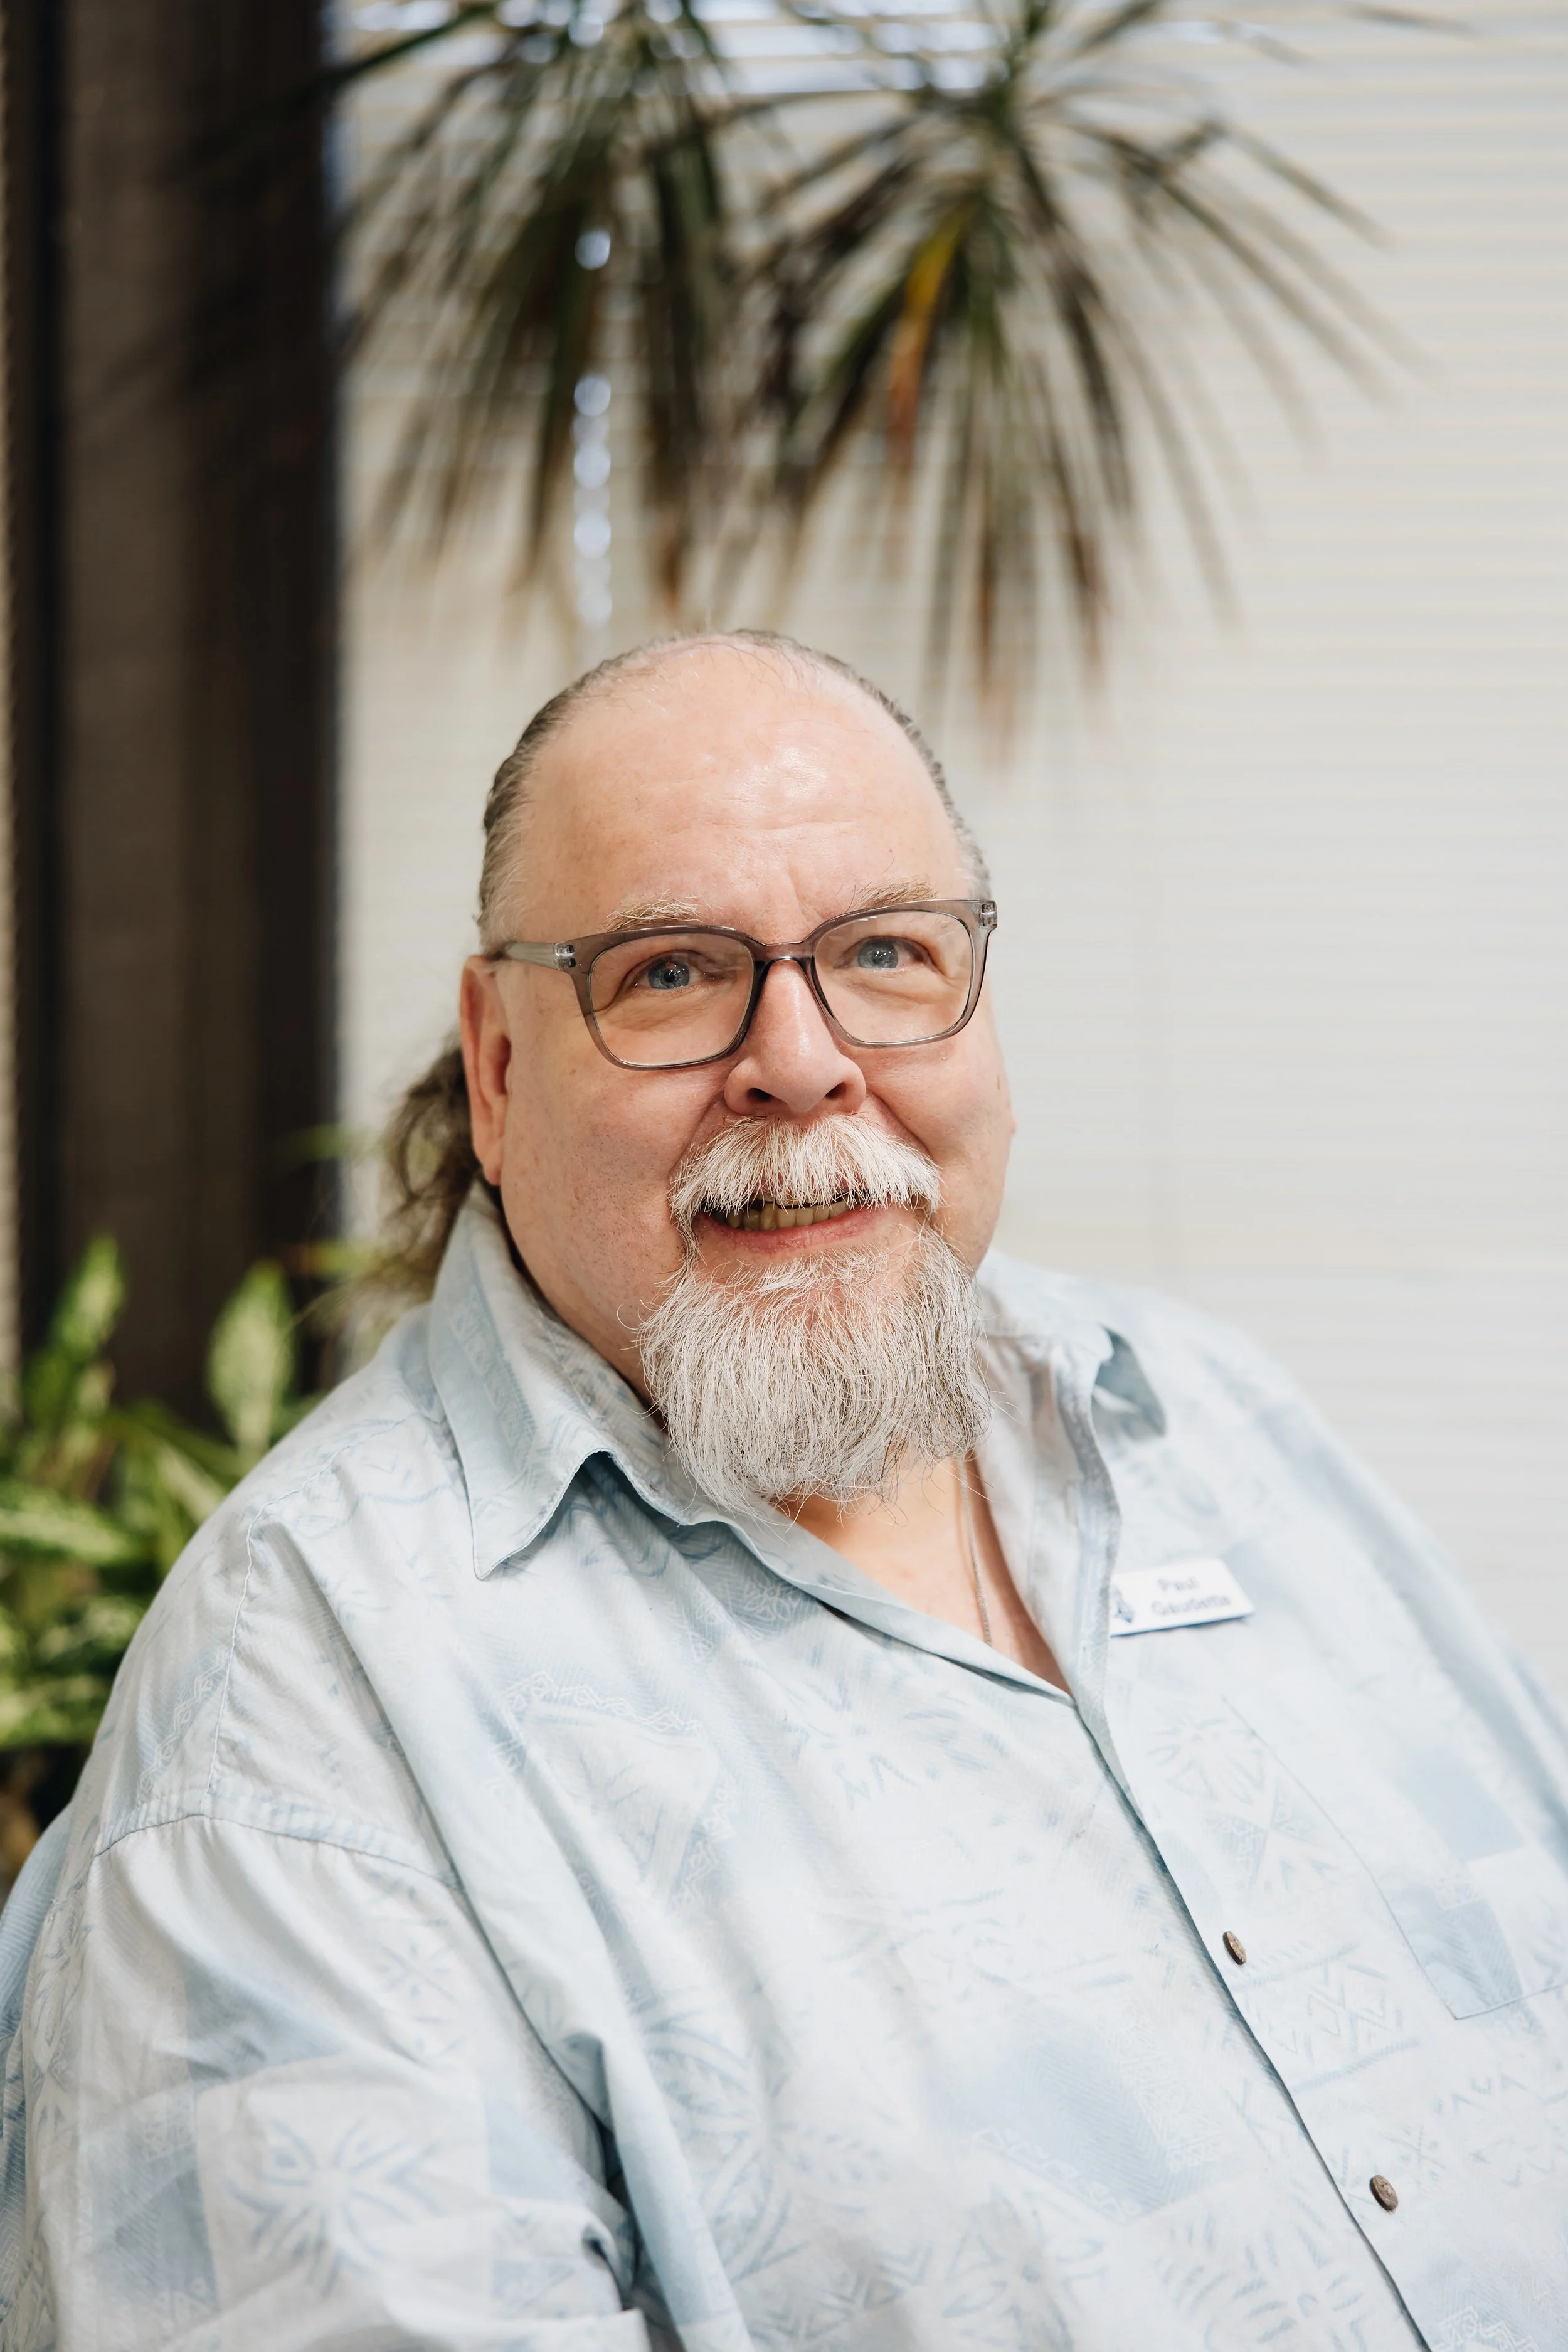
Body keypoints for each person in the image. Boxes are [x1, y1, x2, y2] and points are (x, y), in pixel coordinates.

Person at [2, 632, 1565, 2352]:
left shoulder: (1210, 1414)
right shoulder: (298, 1722)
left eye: (887, 952)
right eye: (673, 971)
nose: (804, 1058)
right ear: (499, 1066)